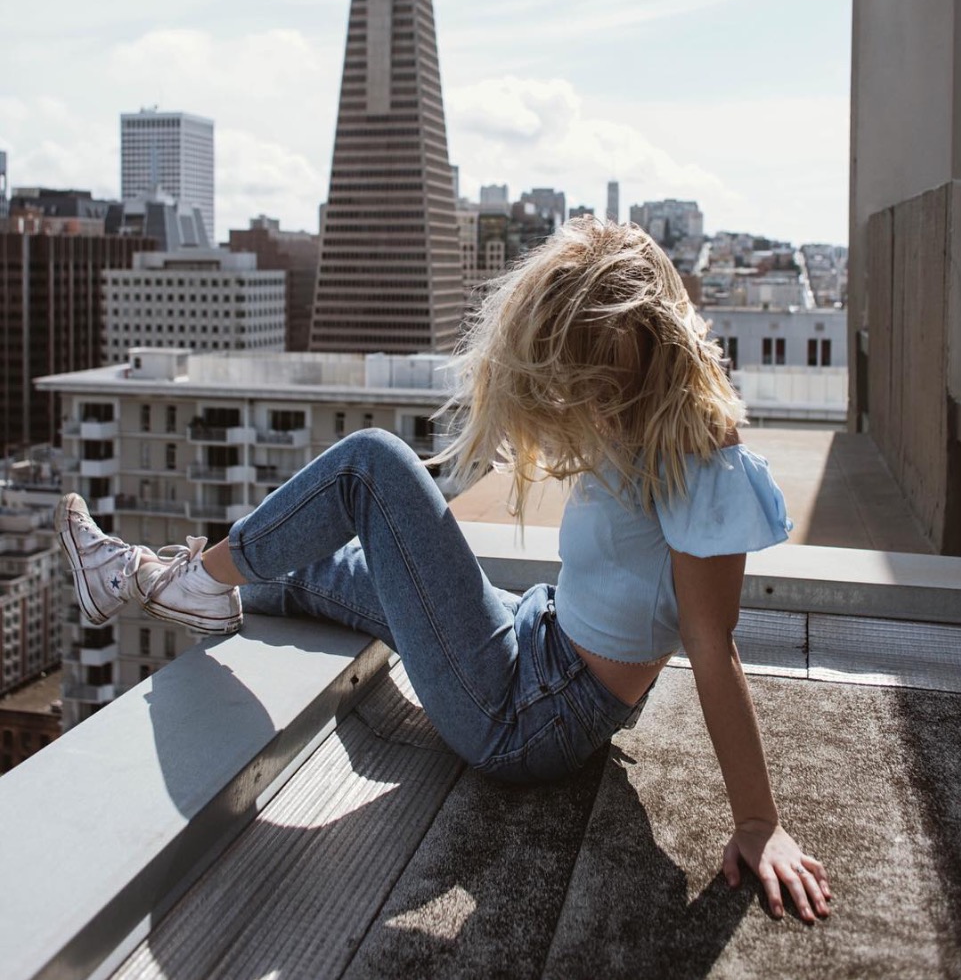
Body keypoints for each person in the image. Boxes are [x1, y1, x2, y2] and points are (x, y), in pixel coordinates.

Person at [56, 218, 831, 924]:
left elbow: (711, 644)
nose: (578, 390)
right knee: (328, 563)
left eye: (592, 361)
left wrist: (758, 822)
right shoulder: (636, 418)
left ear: (642, 337)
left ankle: (183, 581)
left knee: (371, 466)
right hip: (536, 641)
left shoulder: (701, 461)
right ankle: (145, 575)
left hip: (530, 714)